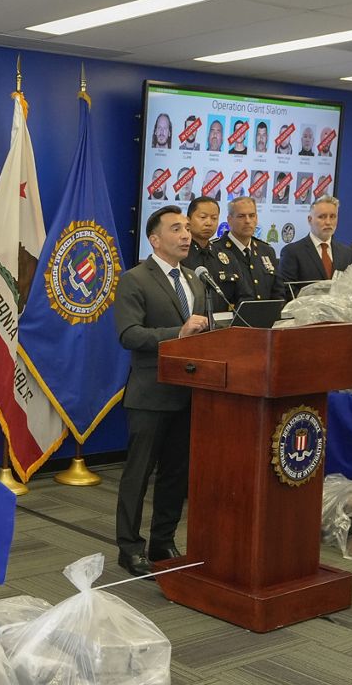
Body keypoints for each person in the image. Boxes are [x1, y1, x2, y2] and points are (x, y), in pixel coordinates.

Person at [113, 205, 208, 577]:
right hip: (150, 395)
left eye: (187, 227)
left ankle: (162, 540)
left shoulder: (196, 281)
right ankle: (129, 546)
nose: (186, 234)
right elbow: (129, 335)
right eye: (176, 229)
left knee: (175, 475)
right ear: (155, 240)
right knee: (138, 475)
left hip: (189, 394)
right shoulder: (135, 279)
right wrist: (178, 334)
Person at [210, 196, 286, 305]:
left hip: (268, 319)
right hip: (232, 320)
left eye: (252, 215)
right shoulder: (215, 250)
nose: (247, 221)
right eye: (241, 216)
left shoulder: (266, 251)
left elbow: (279, 293)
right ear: (229, 220)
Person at [278, 195, 352, 297]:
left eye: (332, 216)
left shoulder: (346, 253)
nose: (328, 222)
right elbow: (287, 291)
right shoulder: (292, 252)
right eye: (322, 217)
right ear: (310, 220)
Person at [181, 196, 232, 310]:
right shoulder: (179, 256)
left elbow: (244, 295)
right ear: (188, 220)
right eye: (203, 217)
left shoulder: (226, 257)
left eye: (214, 218)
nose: (209, 223)